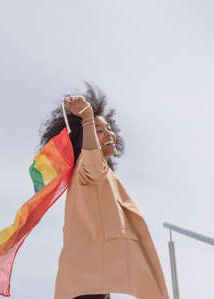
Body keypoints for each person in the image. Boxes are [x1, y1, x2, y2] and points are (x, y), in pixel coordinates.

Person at [38, 83, 170, 299]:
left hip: (96, 277)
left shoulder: (104, 177)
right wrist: (87, 117)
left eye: (108, 128)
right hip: (87, 279)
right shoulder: (87, 165)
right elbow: (91, 158)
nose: (108, 133)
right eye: (99, 130)